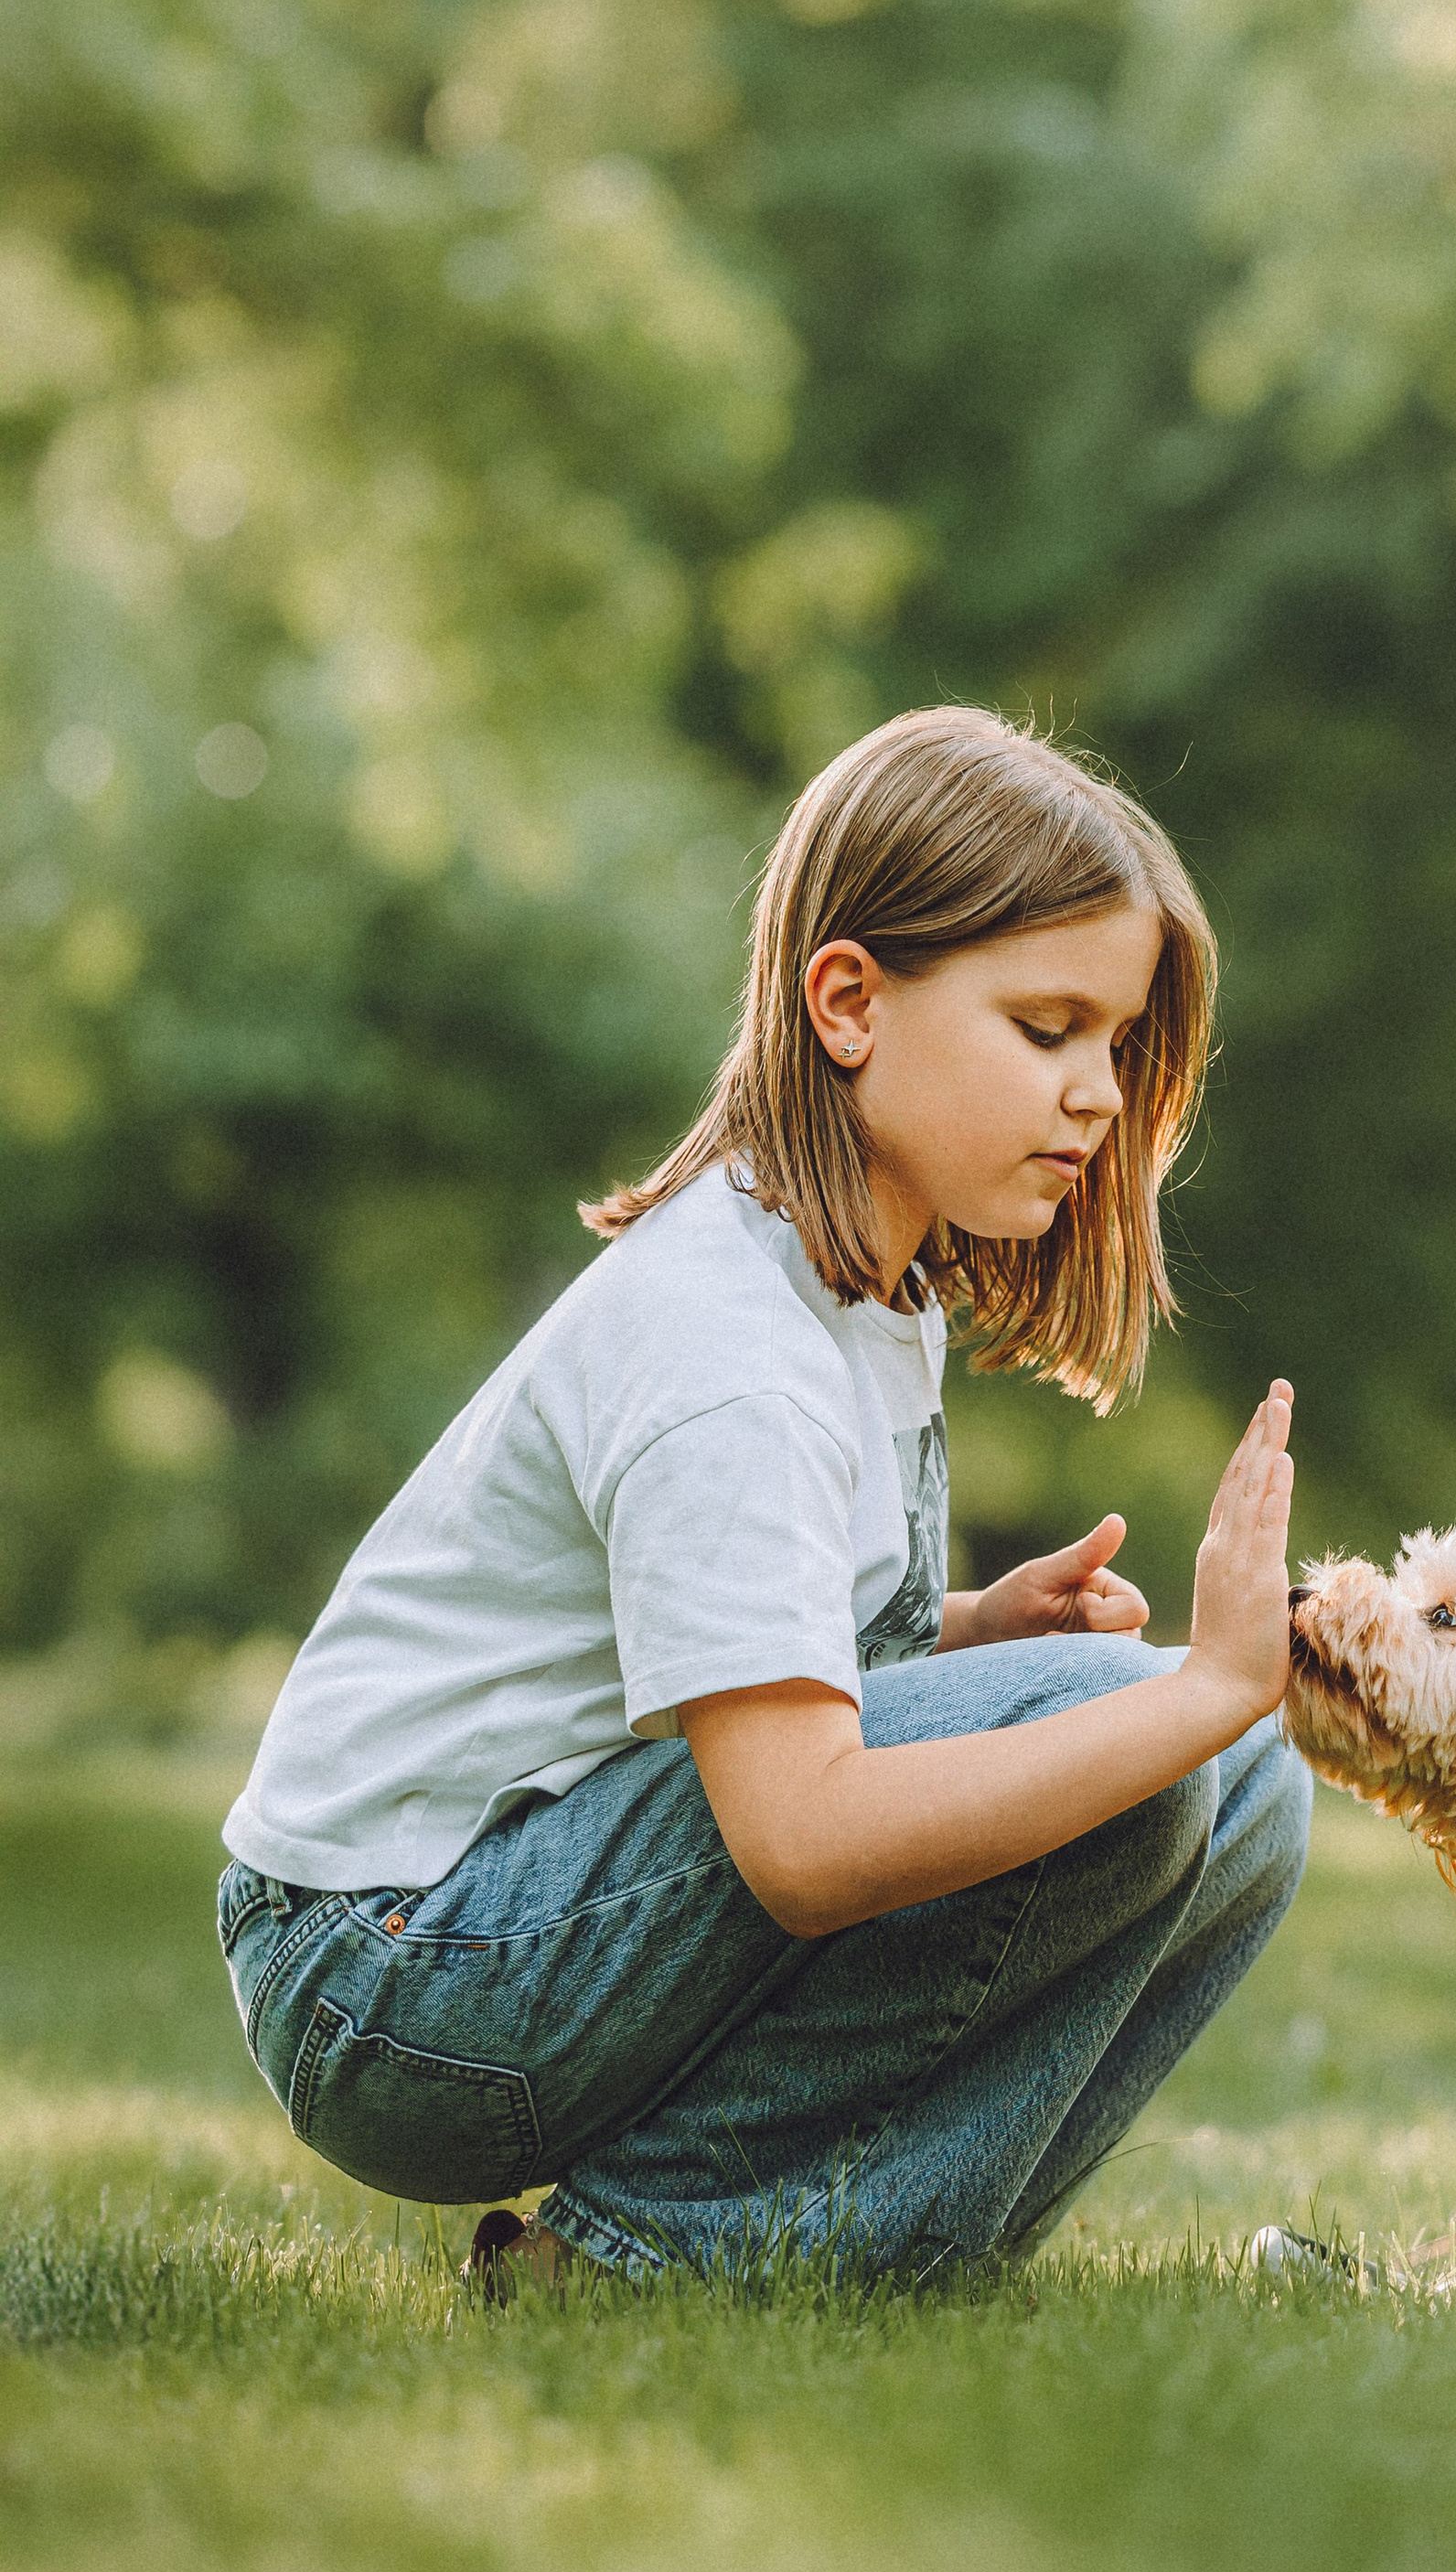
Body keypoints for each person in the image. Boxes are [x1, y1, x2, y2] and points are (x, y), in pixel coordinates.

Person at [216, 706, 1308, 2287]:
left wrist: (966, 1632)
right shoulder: (723, 1343)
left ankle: (879, 2259)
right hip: (388, 1974)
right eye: (1049, 1028)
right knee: (1155, 1731)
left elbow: (727, 1640)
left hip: (519, 1920)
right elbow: (801, 1839)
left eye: (1120, 1046)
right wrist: (1188, 1685)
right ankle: (641, 2264)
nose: (1098, 1095)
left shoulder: (875, 1295)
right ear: (850, 1002)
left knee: (1250, 1777)